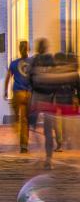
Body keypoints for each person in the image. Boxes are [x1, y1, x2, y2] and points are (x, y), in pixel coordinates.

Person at [28, 40, 80, 170]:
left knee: (38, 128)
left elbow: (31, 79)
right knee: (49, 129)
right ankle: (48, 157)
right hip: (49, 100)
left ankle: (46, 156)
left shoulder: (35, 61)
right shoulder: (50, 60)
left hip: (41, 99)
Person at [5, 40, 32, 153]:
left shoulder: (14, 63)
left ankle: (16, 124)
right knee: (26, 120)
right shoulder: (32, 63)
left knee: (16, 116)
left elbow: (8, 78)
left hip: (17, 93)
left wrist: (5, 91)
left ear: (19, 49)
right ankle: (24, 145)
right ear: (28, 49)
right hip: (29, 94)